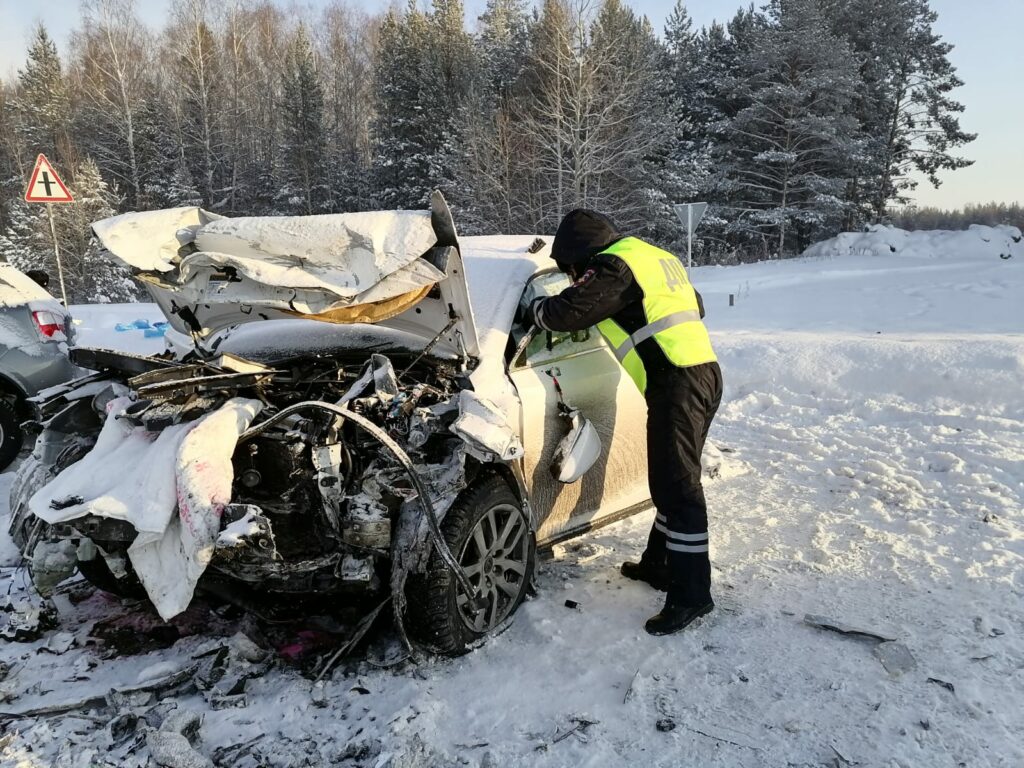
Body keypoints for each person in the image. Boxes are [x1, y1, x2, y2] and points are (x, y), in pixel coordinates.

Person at [525, 210, 723, 636]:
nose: (575, 277)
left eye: (573, 270)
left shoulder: (614, 264)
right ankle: (659, 564)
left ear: (580, 256)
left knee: (680, 490)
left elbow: (569, 312)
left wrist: (536, 309)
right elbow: (696, 304)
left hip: (677, 380)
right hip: (699, 372)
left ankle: (692, 594)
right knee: (671, 481)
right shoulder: (651, 256)